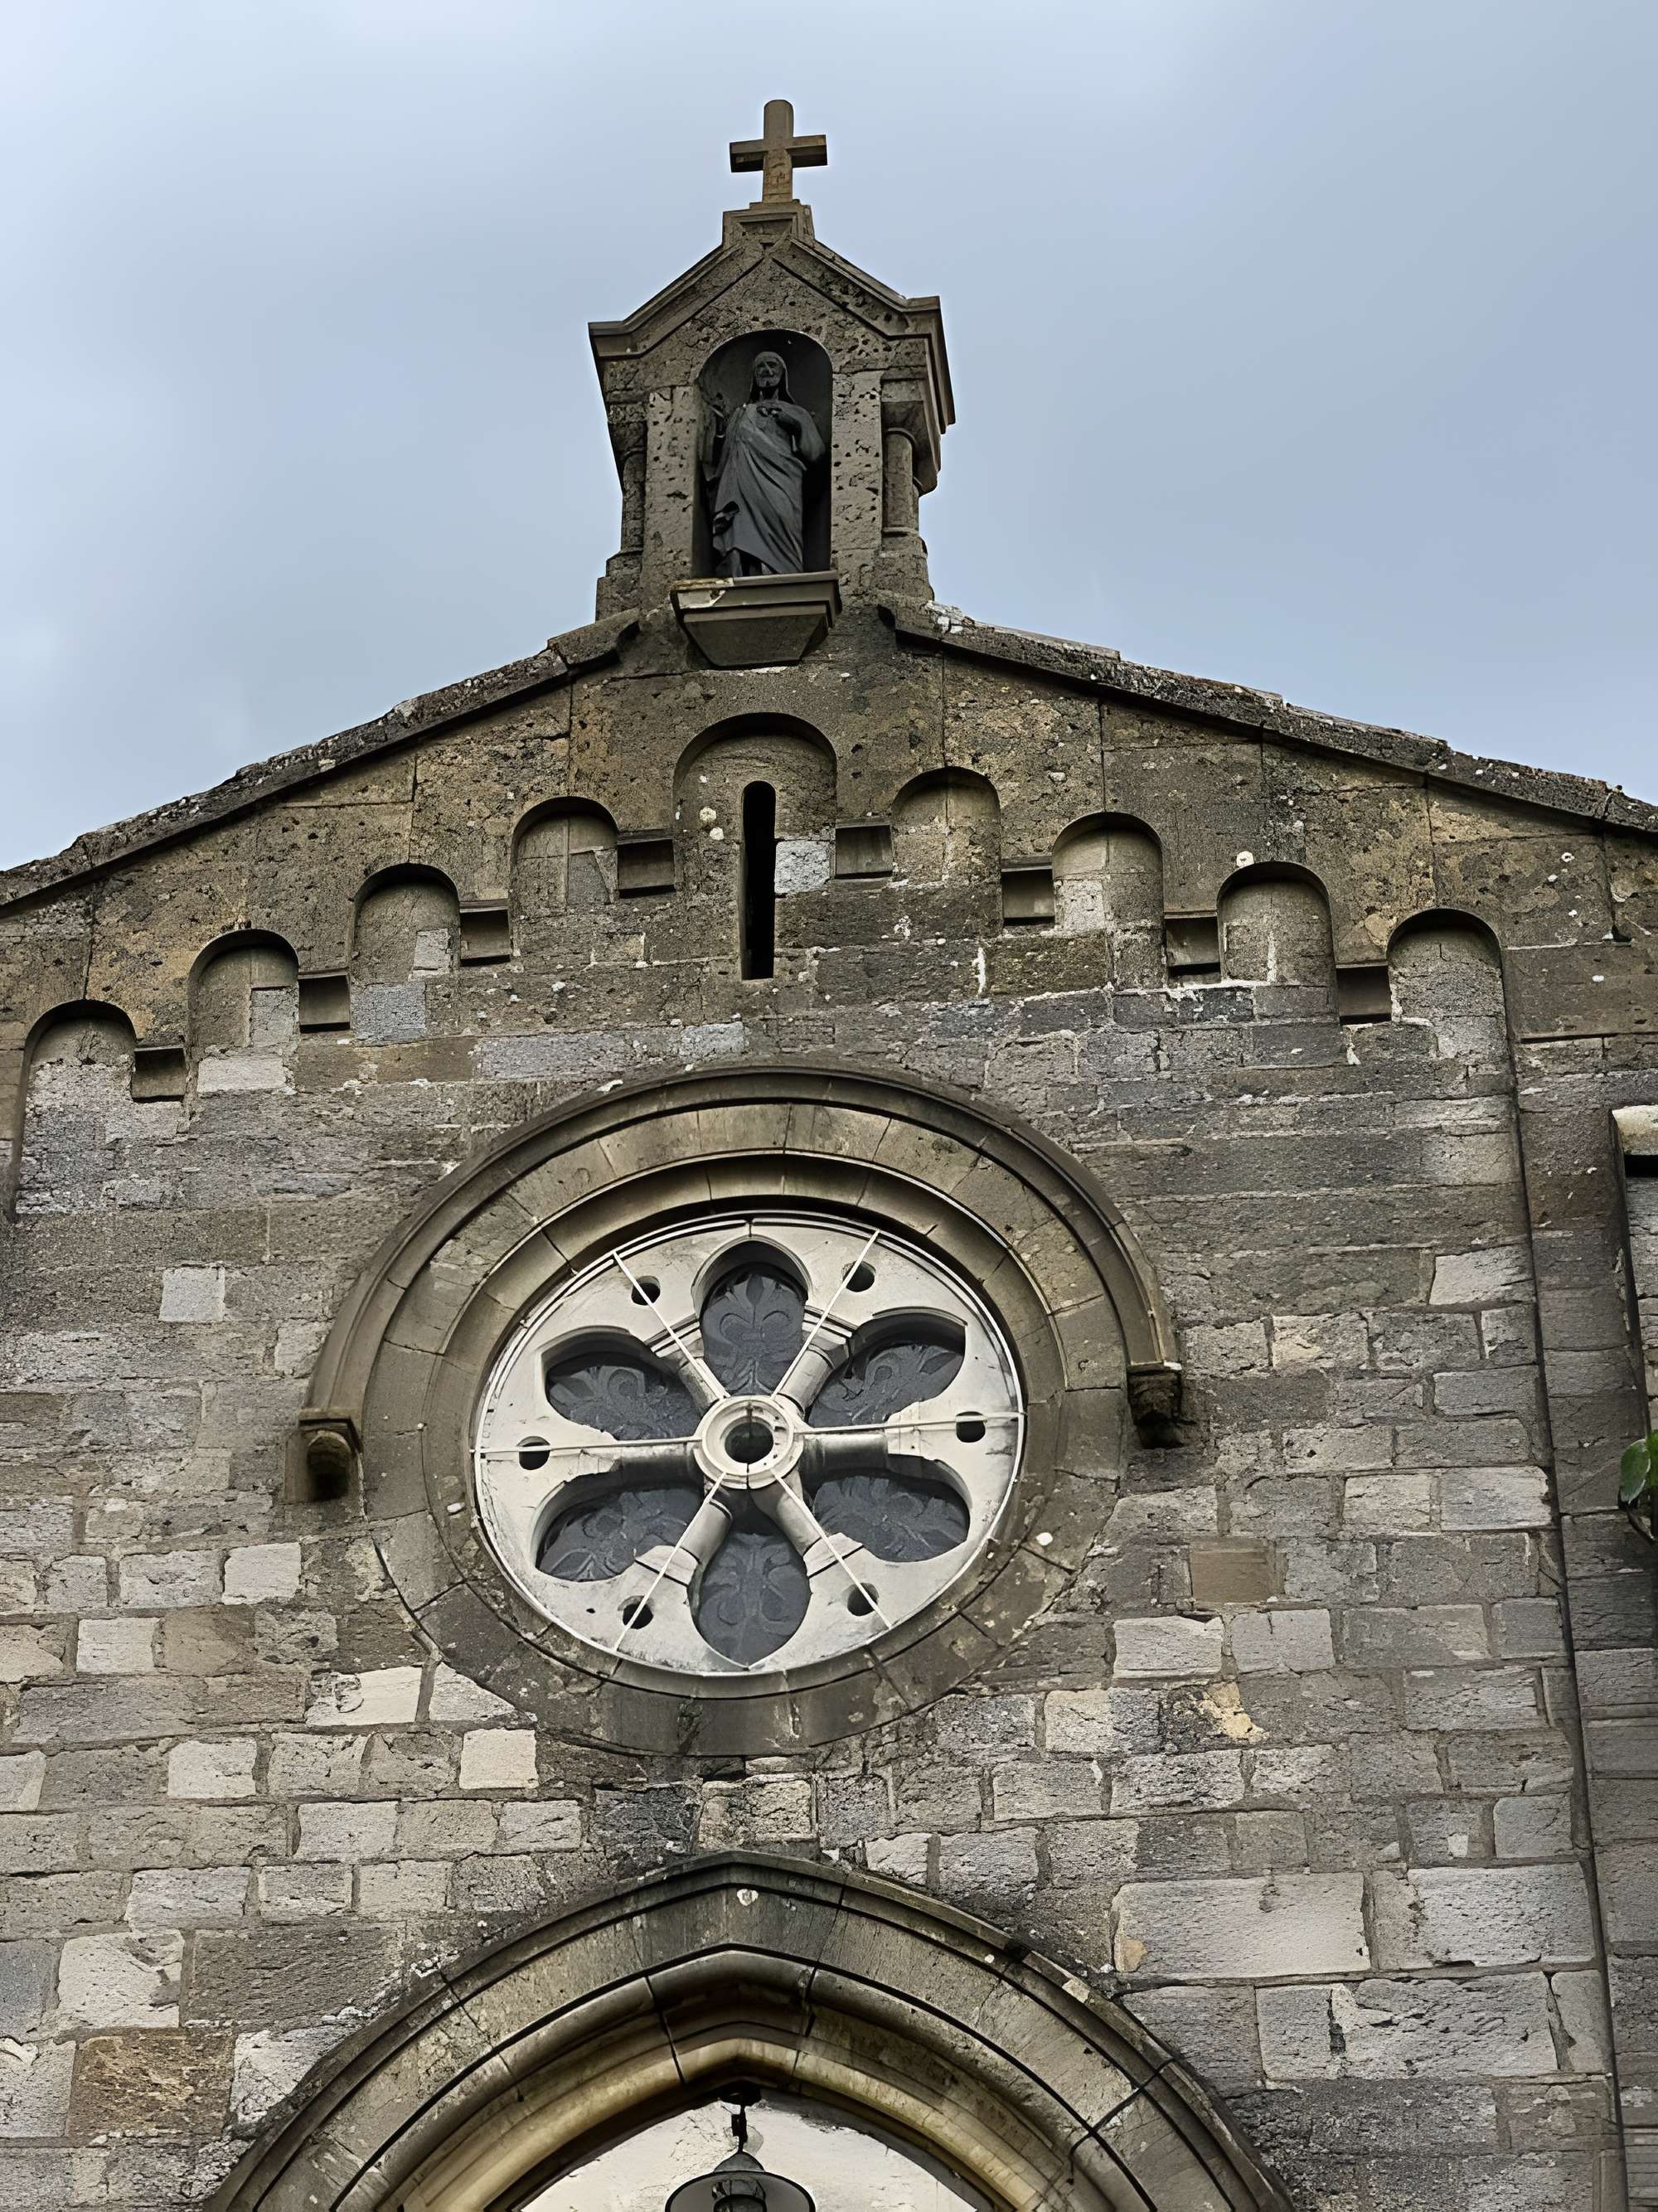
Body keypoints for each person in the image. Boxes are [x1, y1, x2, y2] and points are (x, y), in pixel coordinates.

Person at [702, 350, 824, 577]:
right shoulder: (740, 414)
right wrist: (720, 429)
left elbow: (815, 452)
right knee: (740, 532)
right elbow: (722, 459)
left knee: (782, 527)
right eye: (761, 367)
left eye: (772, 366)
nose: (767, 372)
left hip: (781, 485)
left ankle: (781, 578)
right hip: (741, 488)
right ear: (754, 375)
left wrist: (794, 427)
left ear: (782, 375)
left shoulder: (798, 413)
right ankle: (743, 577)